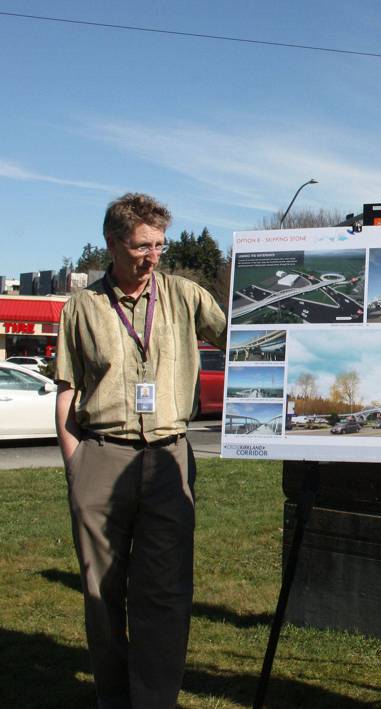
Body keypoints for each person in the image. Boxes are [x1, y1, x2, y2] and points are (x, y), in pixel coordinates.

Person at [54, 193, 227, 709]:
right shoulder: (82, 308)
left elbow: (243, 335)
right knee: (101, 594)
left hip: (170, 454)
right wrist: (75, 462)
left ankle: (155, 700)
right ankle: (113, 697)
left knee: (164, 593)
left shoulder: (184, 295)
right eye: (141, 247)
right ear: (112, 243)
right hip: (101, 456)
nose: (153, 257)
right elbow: (67, 388)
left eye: (160, 245)